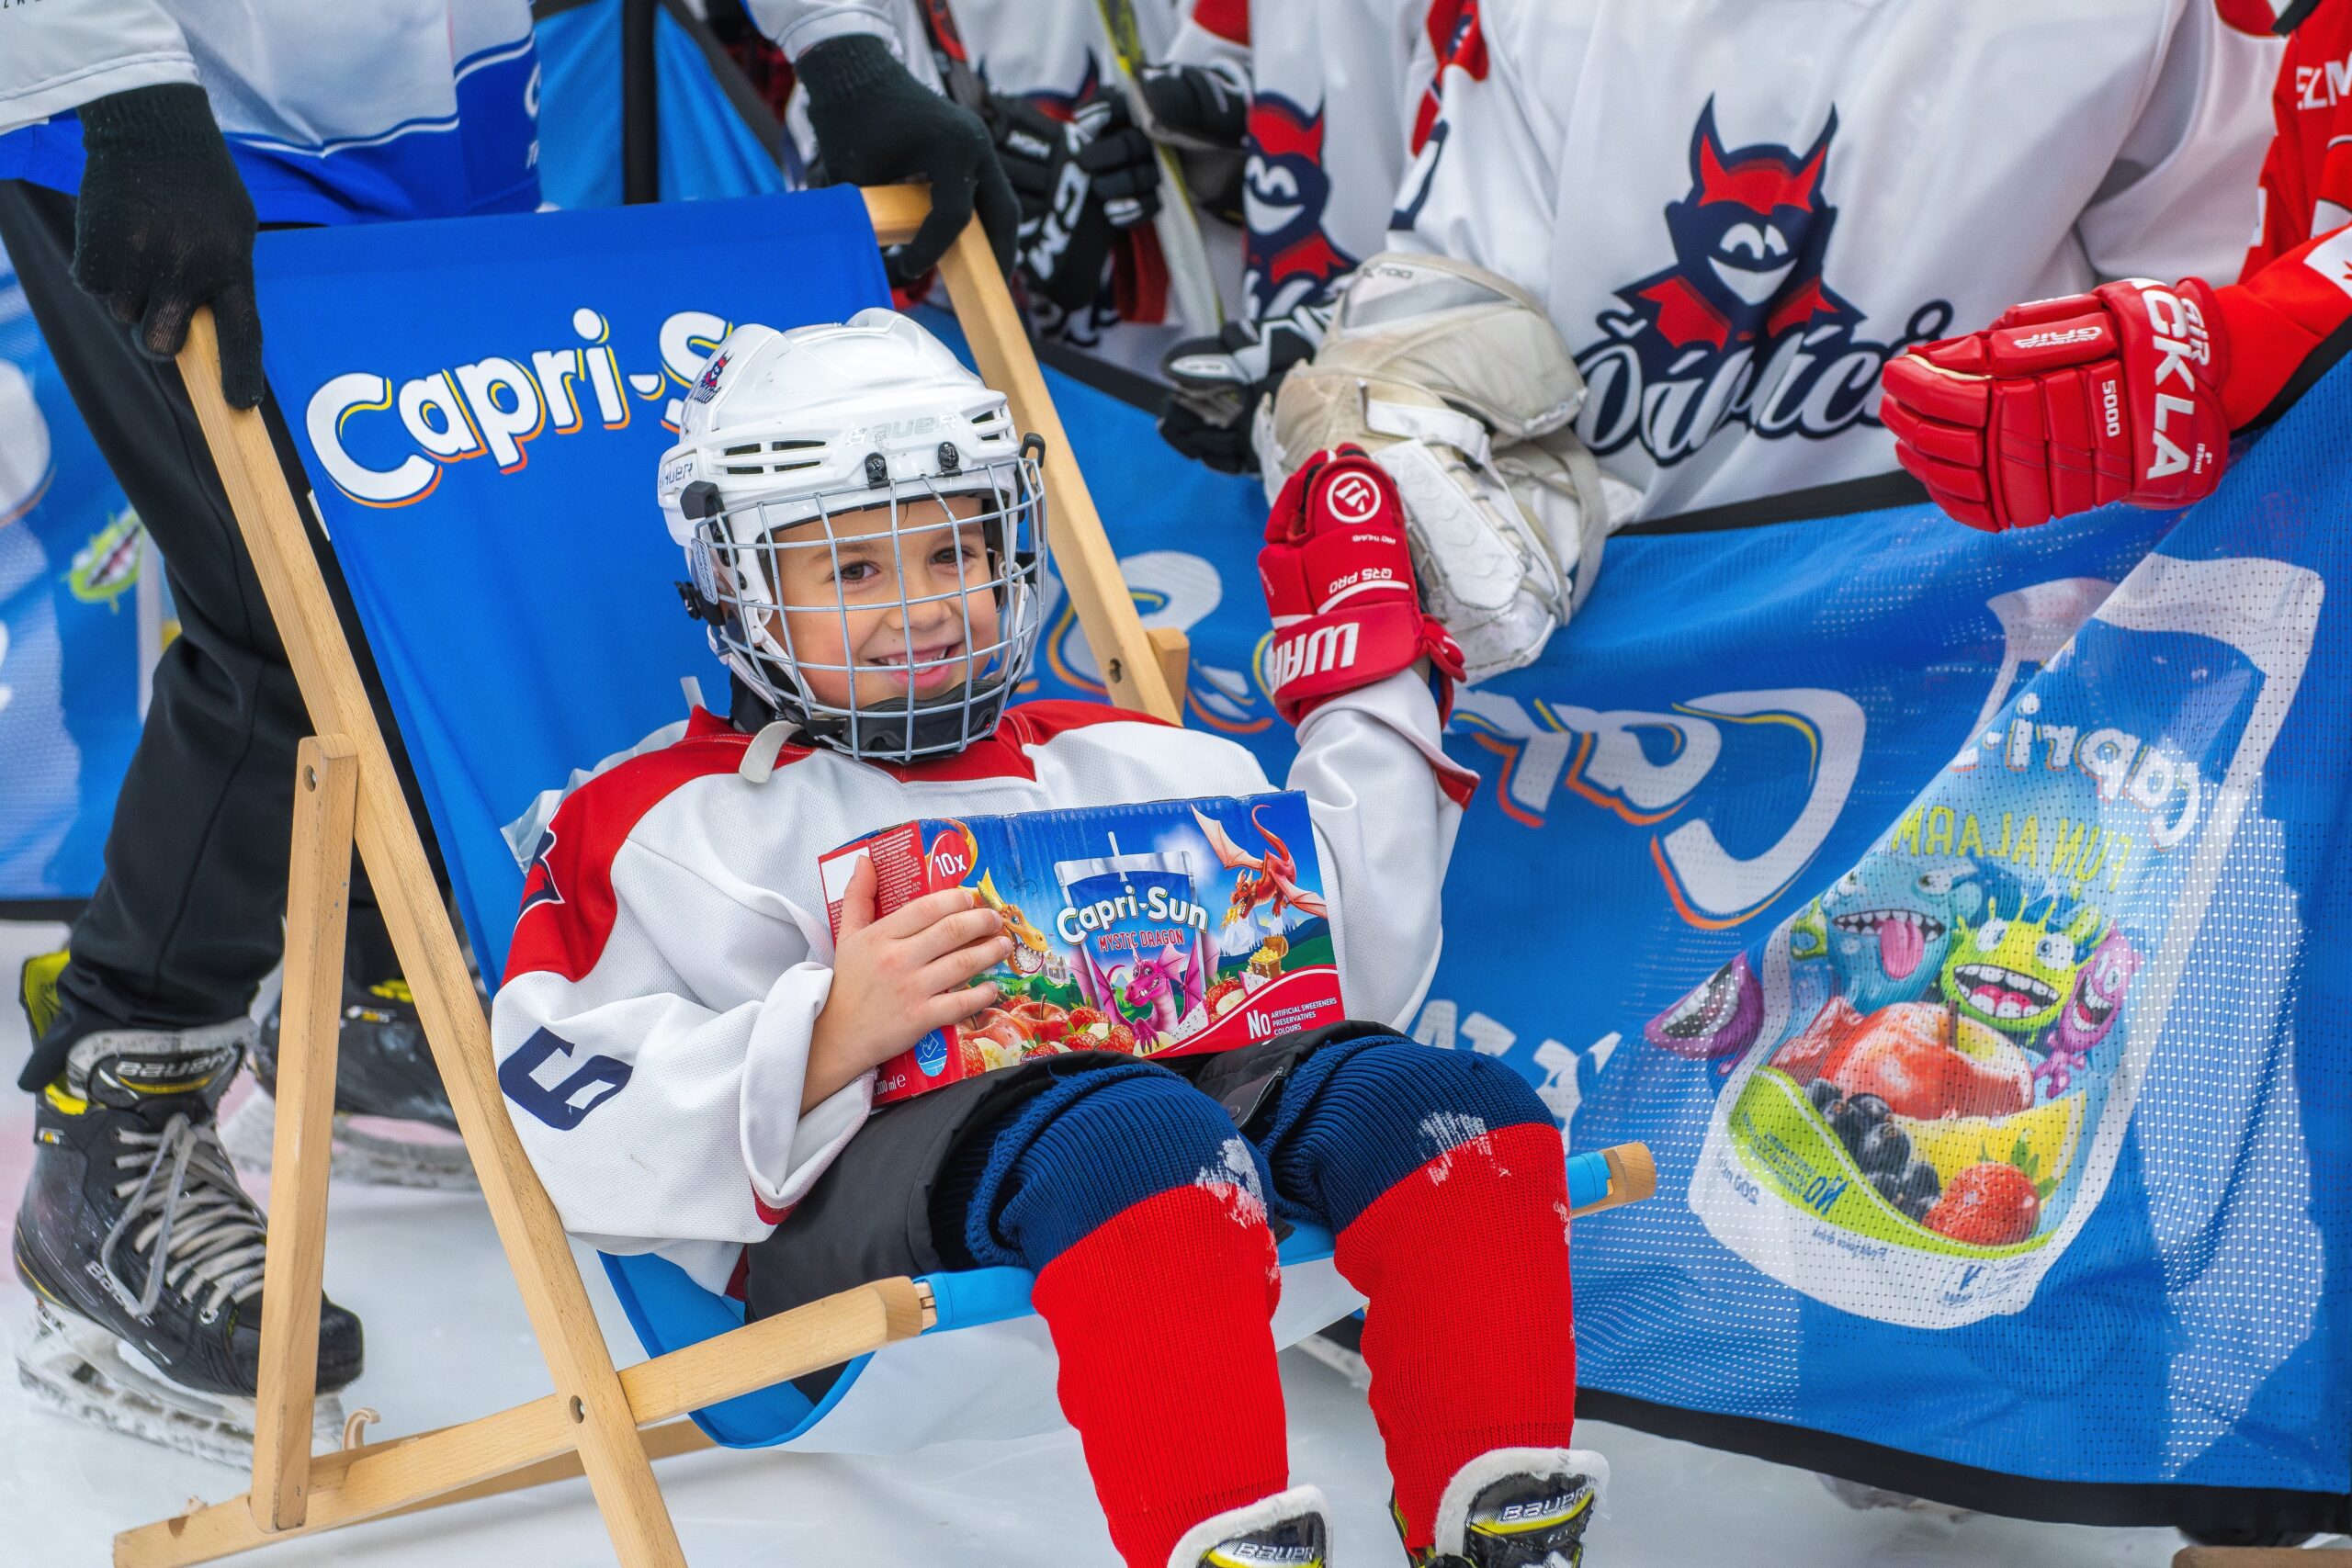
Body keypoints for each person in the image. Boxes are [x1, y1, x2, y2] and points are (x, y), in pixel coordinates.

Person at [0, 0, 1017, 1460]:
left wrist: (840, 45)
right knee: (286, 615)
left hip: (443, 113)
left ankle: (370, 998)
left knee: (452, 558)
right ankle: (117, 1117)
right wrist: (122, 94)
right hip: (169, 101)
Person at [491, 309, 1599, 1568]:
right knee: (1137, 1130)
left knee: (1452, 1108)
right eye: (852, 570)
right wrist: (827, 1033)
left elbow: (1354, 985)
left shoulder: (1130, 756)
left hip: (1160, 1160)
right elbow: (566, 1101)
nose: (921, 606)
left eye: (953, 551)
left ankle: (1499, 1525)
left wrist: (1369, 686)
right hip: (850, 1231)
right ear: (742, 586)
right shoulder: (659, 820)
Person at [1170, 0, 2283, 525]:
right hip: (1610, 666)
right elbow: (1458, 309)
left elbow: (2222, 333)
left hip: (1988, 667)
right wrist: (1391, 440)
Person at [1879, 0, 2352, 533]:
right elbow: (2280, 265)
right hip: (1866, 519)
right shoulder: (2324, 24)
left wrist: (2222, 349)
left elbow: (2208, 274)